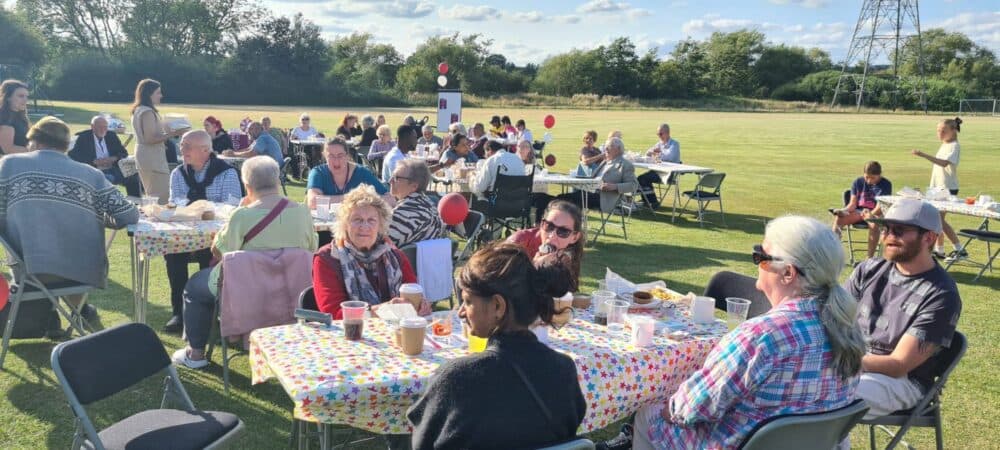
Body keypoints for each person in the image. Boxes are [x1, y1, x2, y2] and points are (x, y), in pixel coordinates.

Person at [613, 216, 864, 450]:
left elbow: (689, 408)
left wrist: (670, 404)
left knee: (649, 413)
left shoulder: (764, 335)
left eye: (761, 256)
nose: (756, 262)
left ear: (788, 273)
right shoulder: (847, 327)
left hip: (739, 443)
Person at [407, 242, 586, 450]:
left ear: (498, 306)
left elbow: (421, 444)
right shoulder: (564, 370)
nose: (461, 312)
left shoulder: (456, 379)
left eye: (468, 301)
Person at [171, 156, 318, 369]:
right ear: (277, 182)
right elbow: (310, 248)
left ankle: (196, 353)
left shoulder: (241, 215)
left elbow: (221, 252)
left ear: (247, 186)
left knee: (194, 286)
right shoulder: (302, 212)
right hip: (290, 286)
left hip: (247, 288)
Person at [0, 116, 139, 330]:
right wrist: (97, 215)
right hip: (80, 270)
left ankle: (52, 317)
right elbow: (128, 216)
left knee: (36, 246)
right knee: (66, 254)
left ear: (34, 142)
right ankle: (75, 311)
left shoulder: (9, 165)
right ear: (66, 146)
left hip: (28, 268)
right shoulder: (90, 174)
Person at [846, 198, 961, 423]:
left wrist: (840, 361)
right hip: (855, 365)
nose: (888, 236)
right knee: (801, 387)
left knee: (825, 396)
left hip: (904, 381)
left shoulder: (941, 294)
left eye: (899, 230)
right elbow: (832, 318)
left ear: (929, 237)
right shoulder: (868, 270)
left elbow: (899, 364)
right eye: (886, 228)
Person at [162, 130, 242, 333]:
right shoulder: (178, 173)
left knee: (211, 259)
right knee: (173, 254)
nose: (182, 149)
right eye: (181, 145)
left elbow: (232, 210)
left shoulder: (227, 173)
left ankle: (210, 311)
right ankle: (179, 312)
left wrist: (202, 211)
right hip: (185, 235)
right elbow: (175, 205)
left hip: (215, 238)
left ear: (205, 150)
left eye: (187, 145)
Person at [312, 185, 425, 319]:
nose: (364, 226)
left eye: (371, 220)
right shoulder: (327, 259)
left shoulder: (395, 256)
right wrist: (381, 311)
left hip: (394, 333)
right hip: (349, 335)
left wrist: (420, 304)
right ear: (344, 224)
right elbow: (334, 314)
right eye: (357, 220)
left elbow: (413, 290)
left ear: (380, 225)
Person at [535, 137, 636, 220]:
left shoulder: (625, 165)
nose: (606, 149)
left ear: (618, 149)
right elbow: (593, 178)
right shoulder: (606, 161)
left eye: (609, 146)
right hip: (591, 191)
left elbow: (633, 185)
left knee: (571, 199)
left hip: (604, 199)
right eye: (605, 146)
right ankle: (546, 206)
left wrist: (614, 186)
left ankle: (545, 205)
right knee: (568, 198)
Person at [911, 118, 965, 261]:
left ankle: (959, 249)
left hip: (947, 188)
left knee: (938, 221)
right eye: (938, 131)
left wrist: (923, 155)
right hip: (937, 188)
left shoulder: (954, 146)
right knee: (936, 220)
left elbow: (943, 163)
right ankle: (939, 250)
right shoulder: (945, 144)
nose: (939, 133)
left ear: (953, 131)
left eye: (943, 131)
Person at [507, 200, 583, 291]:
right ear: (541, 224)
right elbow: (502, 283)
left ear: (574, 238)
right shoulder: (519, 242)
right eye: (549, 226)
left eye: (563, 231)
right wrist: (534, 267)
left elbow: (567, 292)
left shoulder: (568, 254)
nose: (552, 236)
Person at [131, 78, 185, 204]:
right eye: (158, 92)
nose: (161, 96)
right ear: (149, 94)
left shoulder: (139, 110)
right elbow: (150, 139)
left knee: (153, 195)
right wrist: (174, 133)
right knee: (161, 197)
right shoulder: (147, 112)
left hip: (146, 155)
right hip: (152, 158)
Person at [831, 161, 892, 259]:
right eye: (866, 177)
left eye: (872, 178)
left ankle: (869, 258)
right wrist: (843, 211)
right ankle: (832, 251)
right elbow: (852, 204)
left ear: (879, 175)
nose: (868, 181)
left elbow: (881, 206)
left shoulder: (886, 184)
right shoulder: (858, 182)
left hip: (875, 213)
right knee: (839, 219)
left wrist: (870, 214)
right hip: (859, 212)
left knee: (874, 223)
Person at [69, 115, 141, 197]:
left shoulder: (111, 135)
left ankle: (135, 202)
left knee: (132, 172)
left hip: (113, 167)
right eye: (99, 127)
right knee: (107, 179)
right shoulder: (83, 137)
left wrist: (113, 158)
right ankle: (111, 202)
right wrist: (93, 161)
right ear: (92, 126)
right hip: (94, 170)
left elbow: (123, 153)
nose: (103, 129)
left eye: (105, 127)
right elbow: (73, 156)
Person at [306, 137, 388, 208]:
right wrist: (354, 198)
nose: (336, 160)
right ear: (324, 156)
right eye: (331, 156)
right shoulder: (318, 173)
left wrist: (367, 199)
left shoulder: (362, 173)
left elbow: (390, 199)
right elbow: (312, 202)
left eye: (340, 155)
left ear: (347, 155)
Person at [388, 159, 445, 248]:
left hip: (402, 261)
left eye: (397, 178)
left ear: (414, 186)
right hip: (426, 260)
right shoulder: (427, 204)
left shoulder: (406, 213)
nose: (390, 181)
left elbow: (378, 246)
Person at [636, 124, 681, 209]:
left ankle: (652, 202)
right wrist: (652, 152)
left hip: (669, 173)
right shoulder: (659, 143)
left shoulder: (674, 144)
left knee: (643, 179)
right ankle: (648, 201)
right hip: (658, 170)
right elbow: (648, 153)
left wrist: (658, 153)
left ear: (667, 133)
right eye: (658, 134)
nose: (659, 136)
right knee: (641, 178)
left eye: (661, 134)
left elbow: (669, 157)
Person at [0, 79, 30, 155]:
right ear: (8, 97)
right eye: (21, 96)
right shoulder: (5, 119)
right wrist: (37, 150)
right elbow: (8, 149)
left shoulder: (19, 116)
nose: (25, 100)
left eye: (26, 96)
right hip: (11, 164)